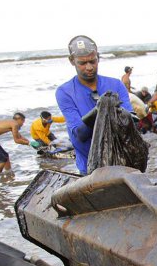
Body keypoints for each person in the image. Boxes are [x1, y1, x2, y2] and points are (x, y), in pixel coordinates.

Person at [56, 35, 132, 175]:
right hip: (89, 166)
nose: (89, 67)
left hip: (122, 162)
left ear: (98, 57)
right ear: (72, 61)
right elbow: (80, 134)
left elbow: (131, 122)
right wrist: (99, 110)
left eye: (93, 61)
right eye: (82, 63)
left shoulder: (116, 84)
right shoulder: (64, 92)